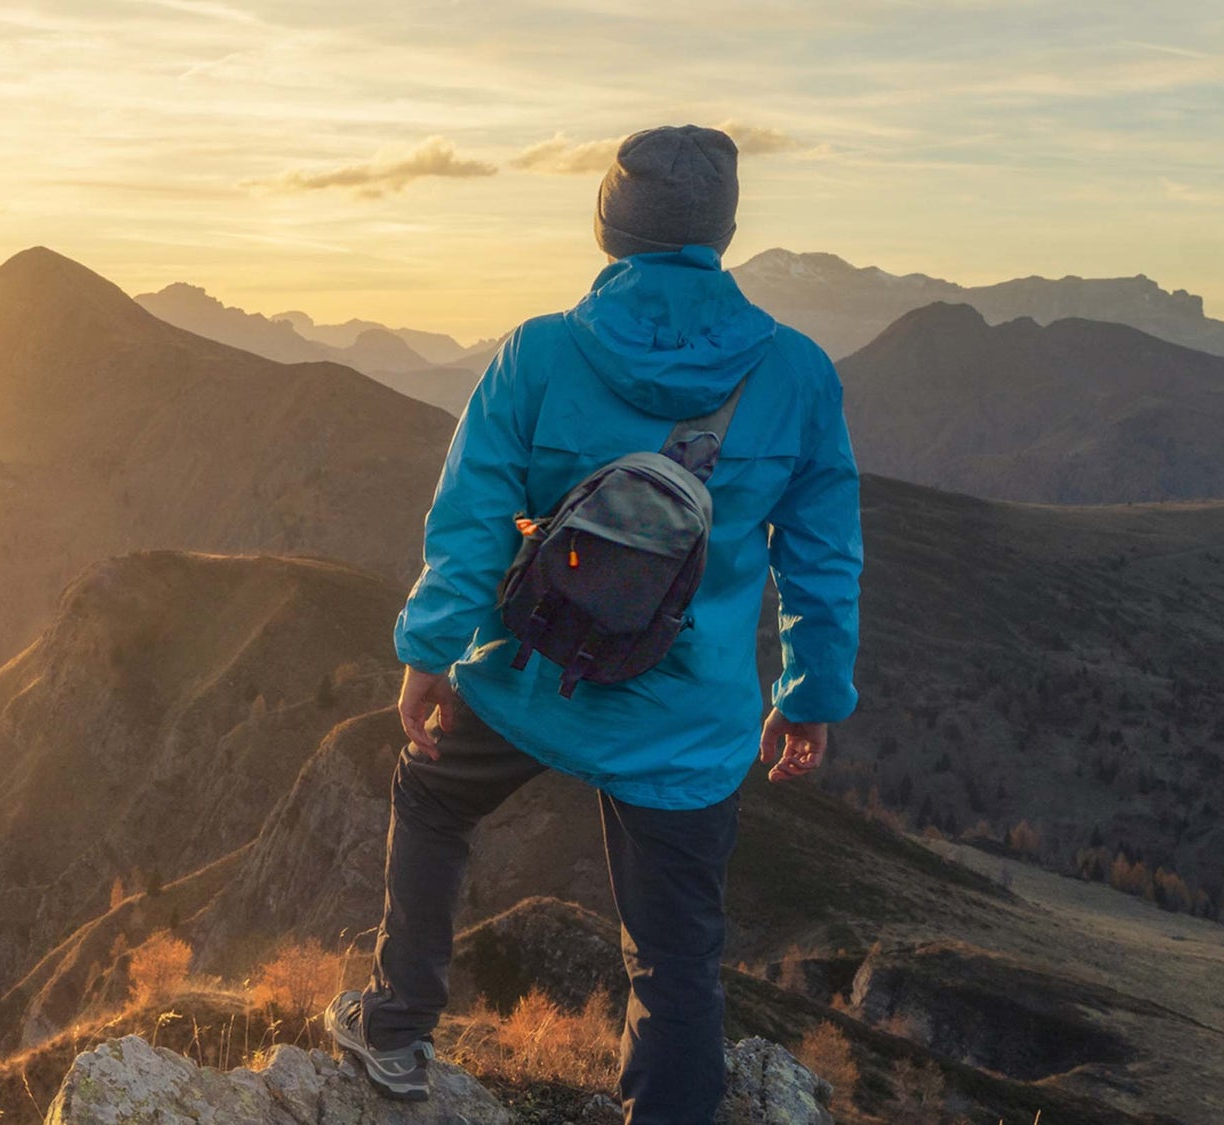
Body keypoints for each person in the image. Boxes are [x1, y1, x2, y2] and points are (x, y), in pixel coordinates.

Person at [324, 124, 863, 1124]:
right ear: (722, 230)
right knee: (672, 959)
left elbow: (473, 521)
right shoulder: (795, 375)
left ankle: (394, 1033)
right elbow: (820, 559)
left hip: (526, 671)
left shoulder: (539, 353)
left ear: (609, 225)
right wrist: (810, 693)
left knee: (433, 799)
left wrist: (429, 651)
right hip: (686, 715)